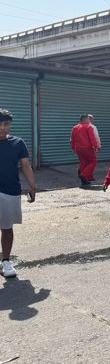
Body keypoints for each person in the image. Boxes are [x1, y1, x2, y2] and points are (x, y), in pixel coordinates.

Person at [0, 108, 36, 278]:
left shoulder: (17, 143)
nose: (2, 127)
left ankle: (6, 261)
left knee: (7, 228)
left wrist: (32, 186)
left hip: (10, 190)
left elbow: (26, 165)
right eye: (0, 124)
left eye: (6, 124)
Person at [70, 114, 98, 185]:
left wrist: (73, 148)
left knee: (83, 162)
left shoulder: (75, 127)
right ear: (84, 120)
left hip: (78, 149)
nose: (89, 121)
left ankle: (84, 180)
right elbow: (92, 138)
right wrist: (95, 146)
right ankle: (83, 174)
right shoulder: (88, 127)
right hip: (87, 148)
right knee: (93, 162)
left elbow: (72, 139)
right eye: (88, 119)